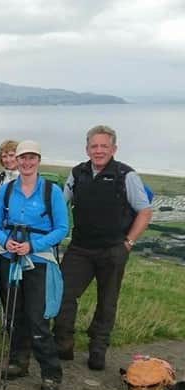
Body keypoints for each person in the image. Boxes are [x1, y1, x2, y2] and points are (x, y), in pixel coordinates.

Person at [53, 125, 152, 370]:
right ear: (87, 148)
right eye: (94, 146)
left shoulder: (126, 175)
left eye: (103, 146)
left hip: (113, 249)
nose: (98, 151)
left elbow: (145, 211)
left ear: (114, 148)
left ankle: (98, 349)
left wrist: (128, 242)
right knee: (63, 294)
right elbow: (59, 203)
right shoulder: (77, 173)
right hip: (80, 248)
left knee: (107, 301)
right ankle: (63, 343)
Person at [0, 140, 68, 390]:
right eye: (23, 157)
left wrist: (33, 246)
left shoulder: (51, 191)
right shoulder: (7, 189)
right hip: (9, 257)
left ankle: (51, 373)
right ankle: (17, 362)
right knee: (14, 313)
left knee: (38, 317)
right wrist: (5, 241)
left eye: (32, 158)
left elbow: (61, 229)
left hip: (39, 260)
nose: (26, 162)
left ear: (38, 160)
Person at [0, 140, 20, 209]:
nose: (8, 160)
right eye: (4, 156)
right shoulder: (0, 177)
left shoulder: (27, 177)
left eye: (11, 155)